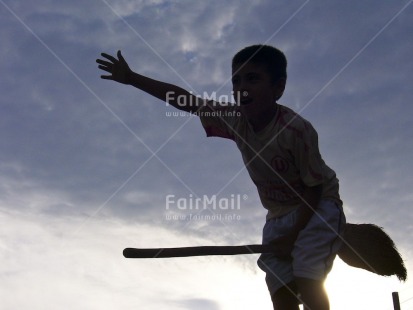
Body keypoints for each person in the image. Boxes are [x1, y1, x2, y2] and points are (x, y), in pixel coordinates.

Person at [96, 45, 346, 310]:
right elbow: (187, 101)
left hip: (318, 208)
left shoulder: (297, 131)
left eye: (252, 79)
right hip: (278, 215)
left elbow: (315, 189)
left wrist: (293, 235)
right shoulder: (234, 119)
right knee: (281, 292)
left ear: (278, 87)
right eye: (236, 81)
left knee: (308, 281)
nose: (241, 88)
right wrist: (133, 78)